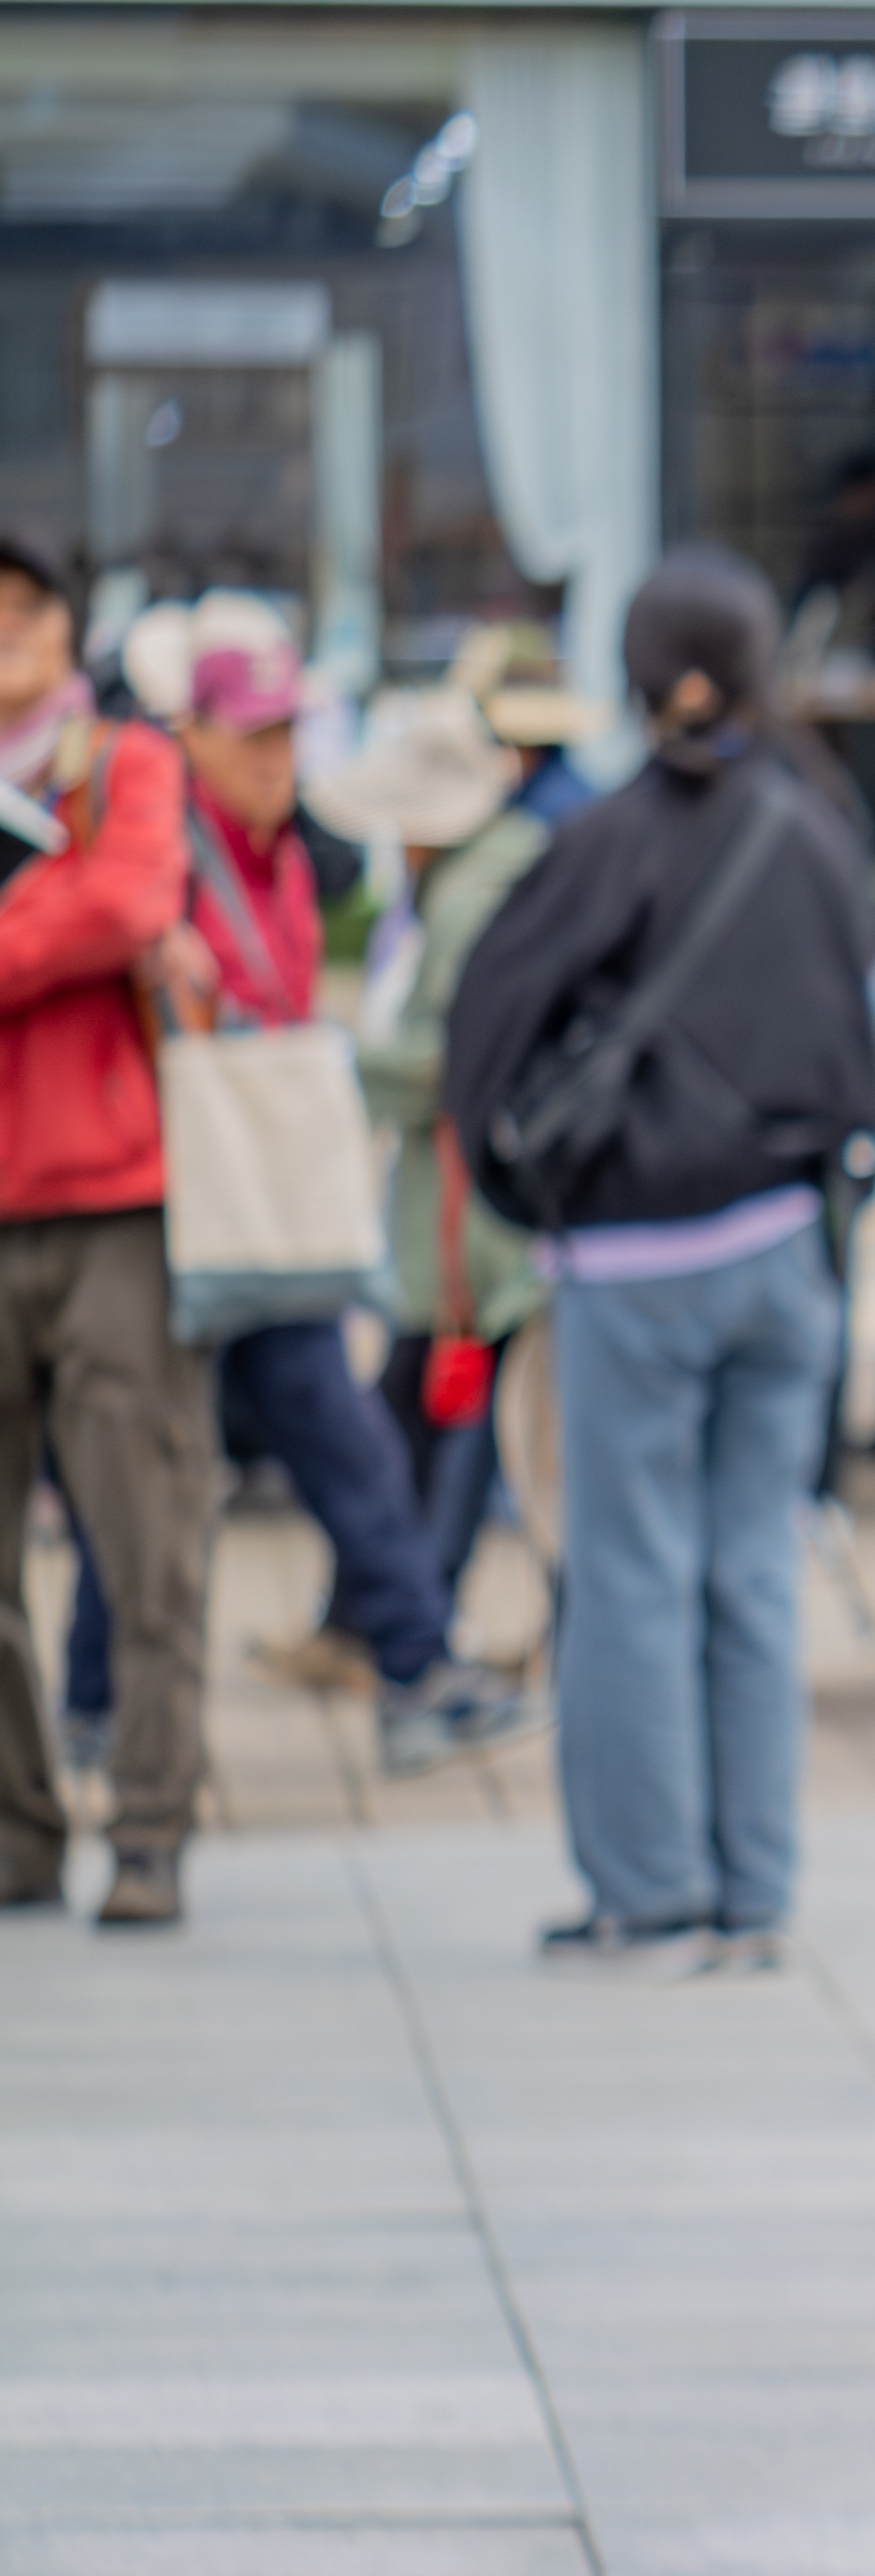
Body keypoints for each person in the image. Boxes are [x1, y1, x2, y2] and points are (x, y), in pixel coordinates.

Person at [444, 549, 875, 1974]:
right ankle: (754, 1892)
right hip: (786, 1251)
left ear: (635, 676)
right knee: (752, 1568)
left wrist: (529, 1197)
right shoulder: (820, 828)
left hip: (633, 1258)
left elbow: (484, 1036)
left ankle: (648, 1892)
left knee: (626, 1573)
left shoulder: (599, 842)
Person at [155, 612, 532, 1780]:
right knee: (170, 1469)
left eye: (287, 735)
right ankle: (409, 1661)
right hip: (184, 1205)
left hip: (274, 1209)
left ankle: (413, 1662)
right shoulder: (160, 853)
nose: (277, 758)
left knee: (334, 1435)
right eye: (252, 735)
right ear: (193, 735)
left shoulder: (291, 864)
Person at [0, 524, 207, 1928]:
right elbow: (82, 922)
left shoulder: (124, 763)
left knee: (144, 1537)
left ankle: (146, 1828)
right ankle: (19, 1833)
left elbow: (132, 896)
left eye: (21, 608)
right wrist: (54, 920)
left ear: (67, 626)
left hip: (116, 1198)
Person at [336, 659, 584, 1618]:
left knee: (487, 1416)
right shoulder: (511, 857)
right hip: (490, 1192)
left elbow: (455, 1052)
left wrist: (350, 1067)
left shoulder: (476, 888)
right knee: (476, 1417)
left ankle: (419, 1616)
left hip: (476, 1201)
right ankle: (406, 1614)